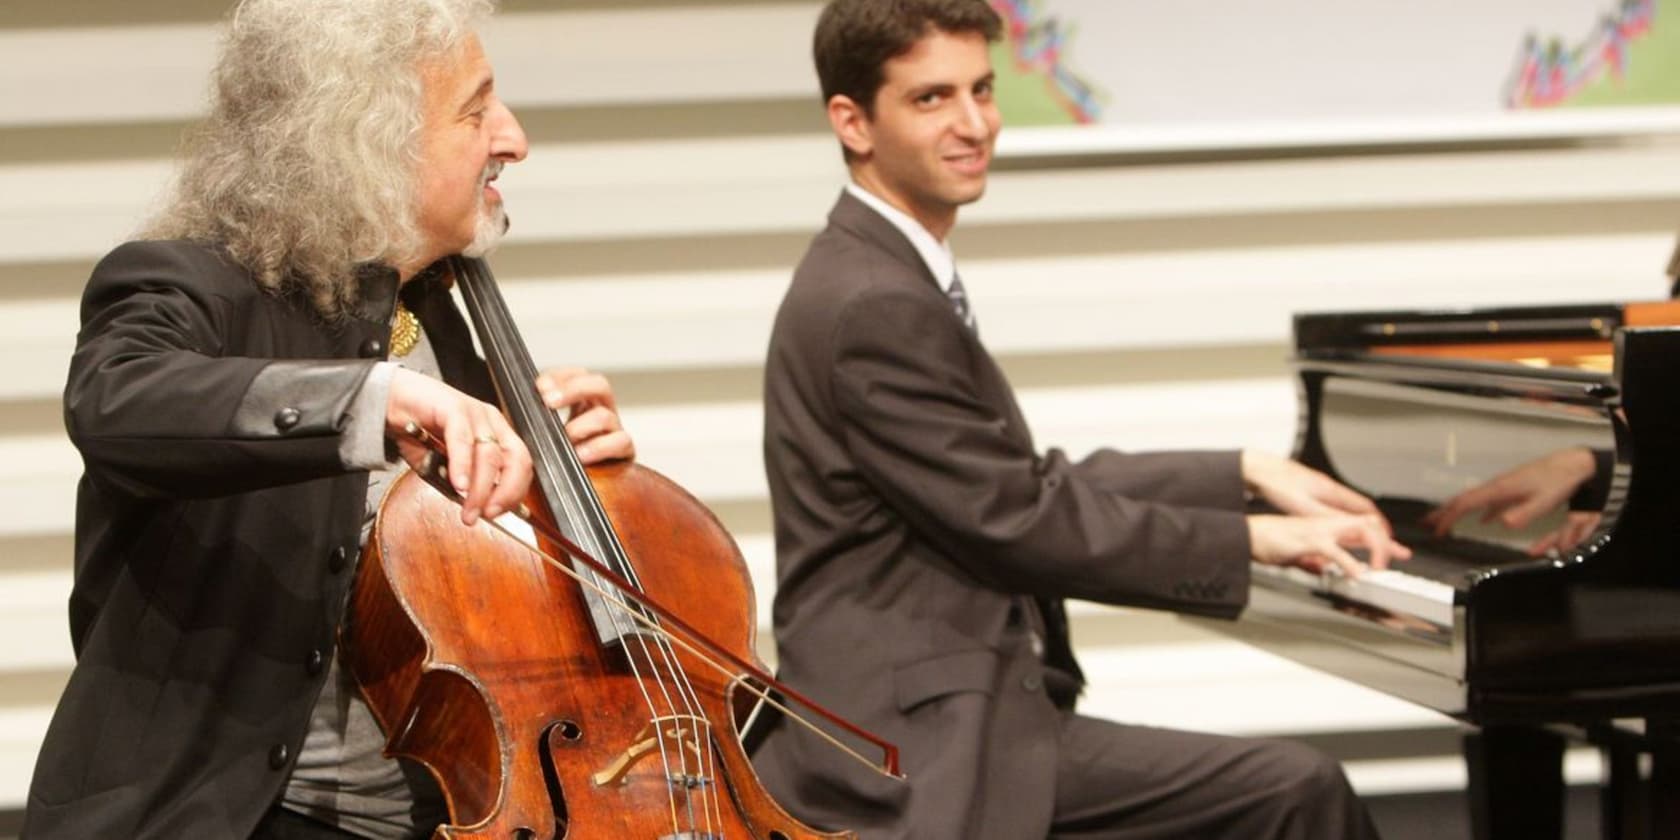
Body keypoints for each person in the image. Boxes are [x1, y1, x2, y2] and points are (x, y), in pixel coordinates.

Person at [750, 1, 1409, 838]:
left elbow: (1011, 483)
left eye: (982, 91)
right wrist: (1251, 540)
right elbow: (1017, 518)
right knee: (1296, 789)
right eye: (932, 99)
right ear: (853, 121)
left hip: (940, 708)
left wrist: (1245, 473)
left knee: (1284, 784)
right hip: (914, 740)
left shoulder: (879, 271)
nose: (973, 123)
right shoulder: (874, 300)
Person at [23, 1, 634, 837]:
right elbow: (116, 396)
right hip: (221, 814)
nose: (514, 138)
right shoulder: (186, 284)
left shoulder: (437, 312)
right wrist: (370, 401)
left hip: (439, 815)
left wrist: (573, 489)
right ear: (368, 141)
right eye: (476, 109)